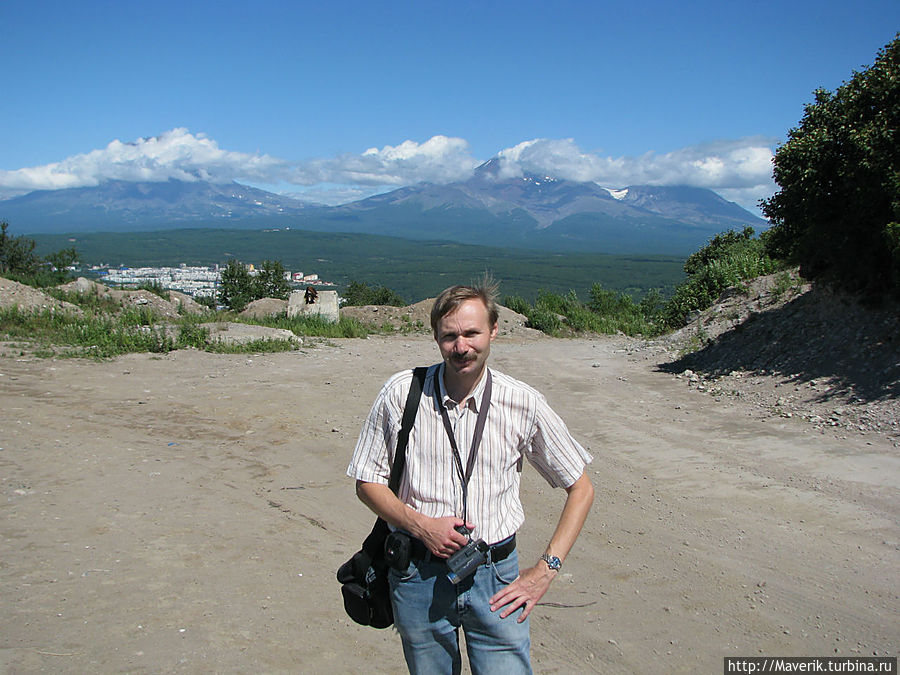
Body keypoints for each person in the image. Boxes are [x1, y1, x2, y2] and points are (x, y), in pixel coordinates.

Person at [347, 279, 594, 674]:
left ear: (493, 330)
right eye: (449, 336)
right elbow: (366, 482)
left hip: (497, 579)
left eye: (471, 333)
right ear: (436, 337)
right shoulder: (401, 394)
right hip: (417, 576)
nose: (461, 346)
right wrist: (422, 525)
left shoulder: (522, 402)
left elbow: (580, 488)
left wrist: (546, 570)